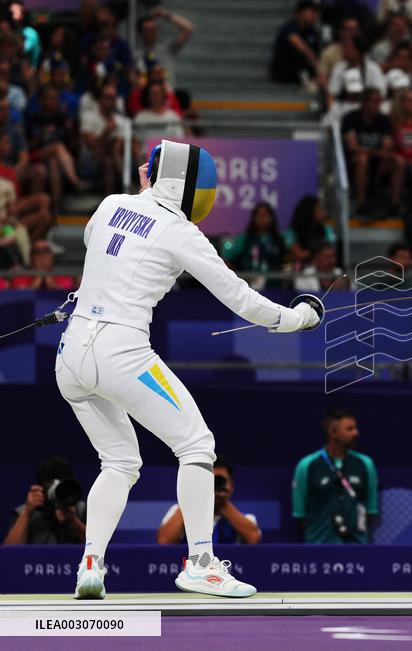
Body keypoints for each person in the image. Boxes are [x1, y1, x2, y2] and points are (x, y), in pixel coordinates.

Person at [57, 141, 322, 600]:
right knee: (197, 445)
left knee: (119, 461)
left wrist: (145, 193)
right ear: (187, 189)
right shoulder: (180, 232)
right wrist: (297, 318)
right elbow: (241, 298)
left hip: (70, 354)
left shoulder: (110, 204)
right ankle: (201, 563)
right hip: (121, 354)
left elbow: (97, 242)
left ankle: (90, 566)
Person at [292, 409, 379, 544]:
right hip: (318, 546)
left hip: (357, 548)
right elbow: (300, 515)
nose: (356, 433)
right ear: (333, 432)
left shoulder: (366, 464)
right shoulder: (306, 465)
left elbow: (370, 510)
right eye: (349, 429)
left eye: (355, 428)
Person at [156, 456, 262, 545]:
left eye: (219, 481)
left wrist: (222, 503)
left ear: (231, 486)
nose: (213, 484)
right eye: (209, 480)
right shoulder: (180, 511)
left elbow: (254, 538)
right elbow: (164, 541)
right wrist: (191, 500)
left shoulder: (247, 518)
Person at [4, 457, 86, 545]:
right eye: (49, 484)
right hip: (34, 559)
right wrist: (26, 512)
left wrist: (73, 520)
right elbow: (9, 551)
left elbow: (97, 546)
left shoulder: (82, 509)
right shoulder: (26, 511)